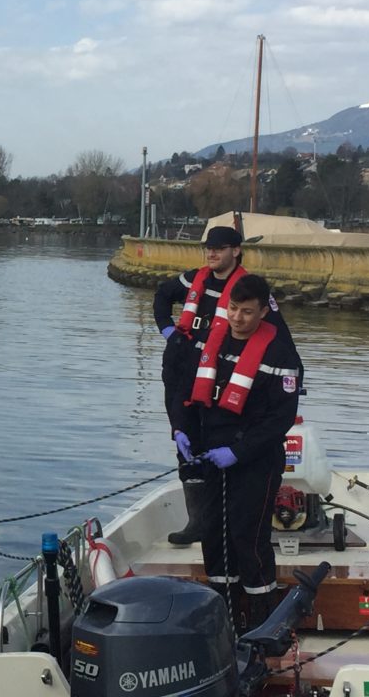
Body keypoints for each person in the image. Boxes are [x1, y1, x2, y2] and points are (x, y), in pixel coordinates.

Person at [153, 225, 293, 545]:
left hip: (217, 370)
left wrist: (288, 375)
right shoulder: (193, 279)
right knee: (183, 436)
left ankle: (221, 519)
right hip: (182, 366)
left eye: (219, 248)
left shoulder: (248, 291)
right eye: (209, 249)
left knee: (214, 437)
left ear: (236, 251)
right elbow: (162, 295)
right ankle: (197, 521)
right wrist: (167, 331)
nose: (212, 254)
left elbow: (278, 334)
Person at [177, 273, 301, 627]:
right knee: (213, 534)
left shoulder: (280, 353)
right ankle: (223, 617)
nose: (237, 318)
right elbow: (185, 391)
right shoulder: (209, 341)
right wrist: (181, 431)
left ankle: (264, 622)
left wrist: (240, 452)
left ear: (264, 312)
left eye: (247, 312)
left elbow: (281, 419)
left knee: (248, 535)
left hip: (255, 460)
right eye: (232, 309)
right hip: (212, 454)